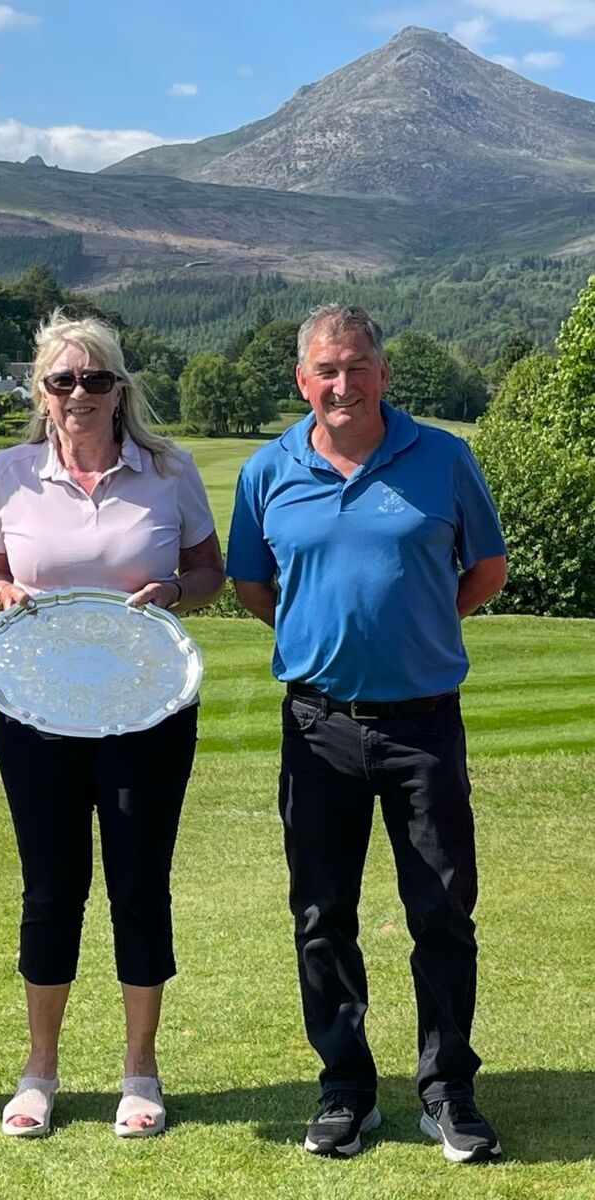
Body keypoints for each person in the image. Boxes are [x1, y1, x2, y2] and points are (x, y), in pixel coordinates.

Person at [227, 304, 508, 1164]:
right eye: (324, 370)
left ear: (383, 373)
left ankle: (446, 1088)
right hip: (318, 726)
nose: (341, 384)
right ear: (302, 381)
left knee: (442, 913)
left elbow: (485, 569)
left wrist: (417, 628)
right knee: (321, 914)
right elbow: (251, 583)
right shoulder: (267, 470)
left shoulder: (444, 459)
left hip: (423, 723)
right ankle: (345, 1086)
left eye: (355, 366)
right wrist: (321, 643)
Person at [0, 311, 224, 1138]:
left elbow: (207, 570)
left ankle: (139, 1070)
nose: (78, 394)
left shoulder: (168, 470)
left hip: (148, 715)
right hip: (37, 711)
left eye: (95, 379)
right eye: (61, 380)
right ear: (41, 393)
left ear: (120, 389)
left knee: (139, 885)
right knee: (51, 890)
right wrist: (6, 596)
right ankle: (38, 1070)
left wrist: (177, 595)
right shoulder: (9, 473)